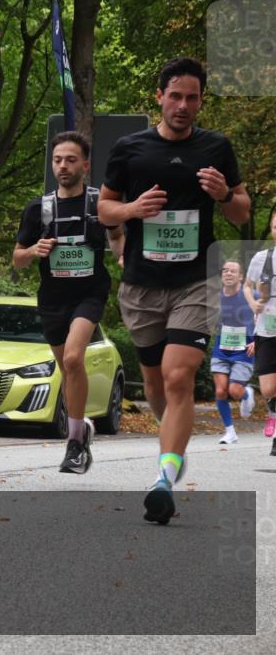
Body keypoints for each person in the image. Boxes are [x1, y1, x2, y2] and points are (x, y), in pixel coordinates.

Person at [98, 58, 251, 524]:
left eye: (193, 98)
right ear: (160, 96)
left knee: (178, 376)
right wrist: (132, 210)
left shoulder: (216, 147)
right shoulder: (130, 149)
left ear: (201, 101)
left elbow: (242, 214)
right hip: (142, 285)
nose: (183, 105)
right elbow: (103, 209)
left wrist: (225, 193)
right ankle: (172, 450)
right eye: (176, 96)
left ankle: (164, 477)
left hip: (196, 283)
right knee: (155, 382)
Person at [13, 131, 124, 474]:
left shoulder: (98, 204)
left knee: (75, 358)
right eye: (58, 160)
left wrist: (124, 258)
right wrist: (34, 251)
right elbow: (17, 257)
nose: (63, 166)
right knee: (68, 368)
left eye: (71, 160)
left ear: (85, 166)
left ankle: (74, 442)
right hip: (52, 298)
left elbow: (118, 236)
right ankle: (82, 430)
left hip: (89, 293)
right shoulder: (39, 209)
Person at [242, 211, 276, 457]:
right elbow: (246, 286)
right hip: (267, 327)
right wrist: (252, 304)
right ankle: (273, 411)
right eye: (275, 226)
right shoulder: (261, 258)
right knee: (268, 388)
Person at [211, 260, 255, 445]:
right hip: (222, 347)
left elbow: (268, 312)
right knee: (221, 391)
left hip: (245, 348)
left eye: (233, 271)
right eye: (225, 271)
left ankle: (246, 394)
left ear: (241, 276)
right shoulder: (214, 297)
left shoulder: (251, 295)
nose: (228, 273)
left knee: (234, 391)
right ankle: (230, 432)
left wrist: (258, 339)